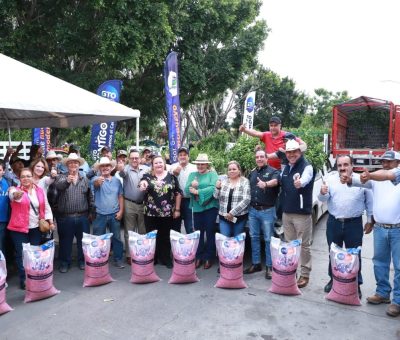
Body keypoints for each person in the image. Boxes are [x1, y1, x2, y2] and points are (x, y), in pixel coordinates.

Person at [341, 150, 400, 317]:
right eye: (384, 161)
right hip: (381, 228)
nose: (385, 164)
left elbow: (387, 175)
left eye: (389, 161)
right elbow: (359, 181)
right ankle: (382, 293)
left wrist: (370, 175)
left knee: (399, 266)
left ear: (398, 163)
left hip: (398, 229)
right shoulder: (377, 180)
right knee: (379, 262)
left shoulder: (395, 175)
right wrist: (348, 179)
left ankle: (398, 301)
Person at [318, 154, 373, 296]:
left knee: (355, 256)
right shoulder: (330, 180)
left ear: (352, 166)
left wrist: (369, 220)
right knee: (333, 254)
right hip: (334, 223)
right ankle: (333, 280)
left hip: (353, 224)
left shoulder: (360, 180)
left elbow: (369, 202)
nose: (342, 168)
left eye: (345, 165)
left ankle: (356, 284)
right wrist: (322, 192)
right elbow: (323, 199)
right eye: (340, 165)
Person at [7, 168, 54, 289]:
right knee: (22, 254)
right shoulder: (15, 190)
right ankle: (24, 280)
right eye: (23, 177)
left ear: (33, 177)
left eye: (28, 176)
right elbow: (13, 196)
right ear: (20, 179)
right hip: (18, 229)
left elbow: (46, 206)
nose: (26, 178)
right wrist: (16, 195)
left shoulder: (39, 191)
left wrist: (50, 221)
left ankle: (34, 277)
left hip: (35, 228)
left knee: (34, 254)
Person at [280, 139, 315, 288]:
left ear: (300, 152)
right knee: (290, 245)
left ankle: (305, 275)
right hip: (287, 212)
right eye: (289, 152)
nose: (291, 154)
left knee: (304, 246)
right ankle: (291, 271)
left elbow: (305, 180)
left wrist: (300, 182)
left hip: (301, 213)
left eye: (294, 151)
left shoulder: (307, 167)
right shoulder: (286, 167)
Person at [139, 155, 181, 268]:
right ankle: (154, 258)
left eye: (160, 162)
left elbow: (178, 193)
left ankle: (166, 258)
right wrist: (142, 185)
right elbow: (143, 183)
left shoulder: (171, 177)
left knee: (165, 236)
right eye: (156, 163)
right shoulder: (147, 176)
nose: (158, 164)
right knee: (152, 236)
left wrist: (177, 209)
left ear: (164, 164)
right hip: (150, 213)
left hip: (167, 213)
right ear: (152, 165)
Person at [243, 150, 280, 279]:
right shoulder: (252, 173)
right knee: (254, 237)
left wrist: (265, 184)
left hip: (267, 211)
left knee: (269, 239)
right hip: (253, 211)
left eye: (261, 157)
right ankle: (256, 263)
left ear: (266, 158)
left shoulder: (274, 171)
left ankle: (270, 266)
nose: (259, 159)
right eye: (257, 157)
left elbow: (275, 182)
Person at [55, 153, 94, 273]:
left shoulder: (85, 178)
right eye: (70, 162)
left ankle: (82, 261)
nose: (73, 164)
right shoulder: (61, 177)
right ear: (67, 165)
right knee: (65, 242)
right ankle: (64, 262)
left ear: (79, 165)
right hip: (66, 217)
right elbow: (59, 186)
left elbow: (90, 196)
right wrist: (67, 181)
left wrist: (91, 212)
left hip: (83, 216)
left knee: (83, 242)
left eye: (75, 162)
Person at [185, 154, 219, 269]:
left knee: (210, 232)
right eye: (198, 164)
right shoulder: (192, 175)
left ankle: (209, 257)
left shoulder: (212, 174)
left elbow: (213, 188)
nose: (200, 166)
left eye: (202, 164)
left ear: (207, 164)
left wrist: (197, 192)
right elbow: (186, 189)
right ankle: (198, 256)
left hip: (210, 207)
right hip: (197, 208)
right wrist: (191, 185)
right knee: (198, 233)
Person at [92, 157, 125, 269]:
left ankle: (118, 259)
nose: (105, 168)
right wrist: (98, 182)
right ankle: (99, 260)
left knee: (116, 238)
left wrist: (121, 211)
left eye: (107, 166)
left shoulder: (117, 181)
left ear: (111, 168)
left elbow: (120, 196)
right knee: (99, 239)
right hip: (100, 215)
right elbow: (95, 184)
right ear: (100, 168)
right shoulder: (96, 179)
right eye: (102, 166)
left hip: (114, 214)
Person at [239, 116, 306, 170]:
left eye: (275, 125)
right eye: (271, 125)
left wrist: (294, 151)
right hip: (270, 169)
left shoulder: (286, 136)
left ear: (280, 126)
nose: (273, 127)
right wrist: (244, 130)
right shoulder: (266, 135)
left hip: (285, 169)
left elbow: (303, 144)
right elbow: (256, 133)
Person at [117, 149, 148, 264]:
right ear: (129, 159)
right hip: (129, 203)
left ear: (140, 158)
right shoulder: (125, 169)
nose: (134, 160)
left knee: (142, 230)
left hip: (143, 204)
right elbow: (122, 173)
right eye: (132, 158)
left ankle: (142, 252)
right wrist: (120, 167)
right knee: (129, 231)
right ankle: (129, 255)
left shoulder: (146, 169)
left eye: (136, 158)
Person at [214, 161, 250, 237]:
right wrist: (217, 188)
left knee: (237, 240)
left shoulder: (244, 182)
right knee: (224, 239)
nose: (231, 171)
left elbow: (246, 199)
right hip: (224, 217)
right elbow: (215, 197)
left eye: (234, 169)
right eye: (229, 169)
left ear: (239, 170)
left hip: (239, 217)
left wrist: (232, 213)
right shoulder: (223, 181)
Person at [170, 146, 197, 234]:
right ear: (177, 157)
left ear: (188, 156)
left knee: (190, 226)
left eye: (185, 155)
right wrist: (175, 172)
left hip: (189, 200)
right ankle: (176, 247)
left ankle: (190, 246)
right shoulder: (172, 167)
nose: (182, 157)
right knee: (175, 226)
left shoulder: (194, 168)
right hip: (175, 200)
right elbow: (170, 179)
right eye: (180, 155)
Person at [0, 160, 10, 253]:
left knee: (1, 244)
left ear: (3, 171)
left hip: (2, 219)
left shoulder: (8, 183)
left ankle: (1, 266)